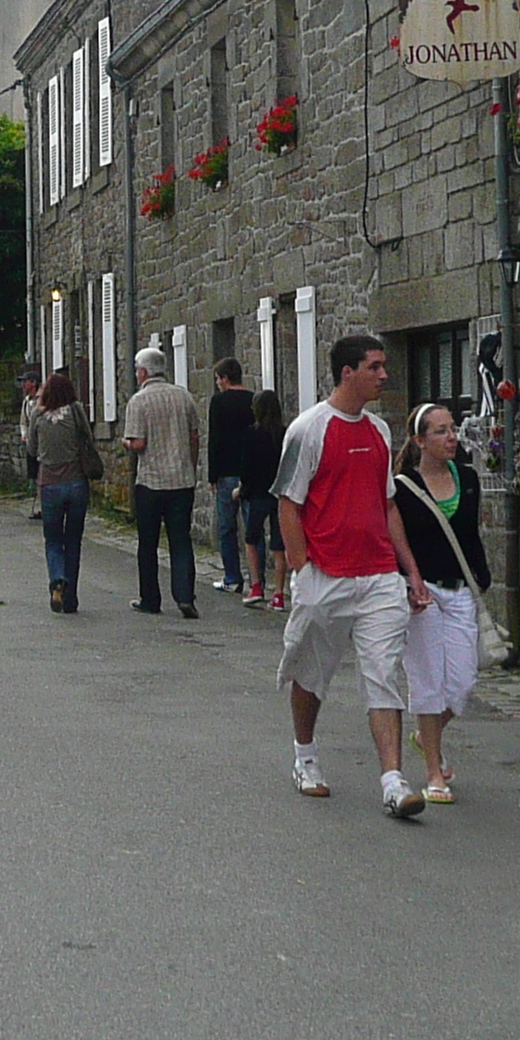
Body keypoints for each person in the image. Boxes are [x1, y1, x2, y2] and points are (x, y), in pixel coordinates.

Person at [274, 332, 433, 820]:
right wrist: (305, 571)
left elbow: (387, 505)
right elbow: (288, 504)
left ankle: (393, 781)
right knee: (312, 670)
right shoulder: (308, 430)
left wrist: (409, 570)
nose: (384, 374)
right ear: (348, 373)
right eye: (375, 366)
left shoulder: (381, 431)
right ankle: (305, 755)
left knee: (383, 673)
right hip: (327, 575)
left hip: (379, 576)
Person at [393, 402, 492, 806]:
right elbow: (395, 541)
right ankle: (434, 772)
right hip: (423, 594)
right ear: (420, 441)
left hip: (462, 591)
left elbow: (470, 536)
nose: (451, 437)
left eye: (452, 429)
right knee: (428, 683)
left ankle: (425, 734)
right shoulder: (401, 487)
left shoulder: (468, 479)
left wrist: (479, 578)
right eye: (440, 431)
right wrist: (408, 582)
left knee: (463, 684)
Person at [120, 345, 202, 619]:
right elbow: (194, 437)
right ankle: (185, 596)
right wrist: (190, 466)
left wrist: (126, 443)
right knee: (180, 540)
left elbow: (139, 442)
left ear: (143, 372)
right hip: (181, 479)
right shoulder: (184, 397)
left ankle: (150, 598)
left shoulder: (139, 401)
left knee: (148, 542)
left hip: (151, 482)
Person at [32, 369, 97, 613]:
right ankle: (70, 598)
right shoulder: (76, 410)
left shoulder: (38, 415)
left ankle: (57, 579)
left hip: (49, 484)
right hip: (76, 483)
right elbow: (88, 438)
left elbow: (32, 450)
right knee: (73, 540)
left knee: (53, 539)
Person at [208, 357, 253, 600]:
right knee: (252, 527)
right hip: (249, 472)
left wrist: (211, 474)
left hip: (226, 471)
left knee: (227, 527)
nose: (218, 384)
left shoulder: (219, 402)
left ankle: (232, 578)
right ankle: (258, 580)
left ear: (225, 378)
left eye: (218, 379)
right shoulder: (253, 400)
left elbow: (214, 439)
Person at [240, 388, 287, 610]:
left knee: (251, 539)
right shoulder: (284, 434)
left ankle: (256, 585)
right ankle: (279, 594)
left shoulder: (251, 434)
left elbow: (246, 468)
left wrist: (242, 489)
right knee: (279, 546)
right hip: (280, 495)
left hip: (258, 493)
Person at [16, 364, 44, 521]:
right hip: (31, 445)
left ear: (33, 383)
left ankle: (44, 507)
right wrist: (24, 435)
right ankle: (39, 507)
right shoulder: (27, 401)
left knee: (43, 475)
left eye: (25, 381)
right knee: (34, 475)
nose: (23, 385)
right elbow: (23, 421)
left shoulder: (42, 399)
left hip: (43, 444)